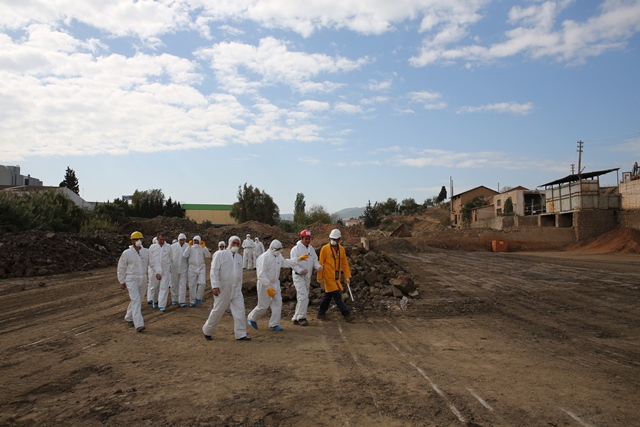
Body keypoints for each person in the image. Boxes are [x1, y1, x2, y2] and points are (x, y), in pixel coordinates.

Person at [247, 240, 309, 331]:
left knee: (278, 303)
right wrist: (268, 286)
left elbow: (286, 263)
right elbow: (260, 274)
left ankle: (274, 324)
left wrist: (298, 259)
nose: (279, 252)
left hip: (275, 283)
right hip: (264, 284)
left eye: (280, 250)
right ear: (272, 248)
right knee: (263, 305)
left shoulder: (278, 256)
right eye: (277, 250)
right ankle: (252, 318)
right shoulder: (264, 257)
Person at [202, 236, 251, 341]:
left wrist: (239, 286)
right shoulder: (220, 254)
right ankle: (207, 330)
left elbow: (239, 274)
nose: (236, 245)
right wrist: (215, 286)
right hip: (223, 288)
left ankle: (241, 334)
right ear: (229, 243)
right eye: (234, 243)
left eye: (238, 243)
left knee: (240, 311)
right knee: (218, 310)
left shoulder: (239, 257)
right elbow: (214, 271)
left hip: (236, 289)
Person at [317, 229, 354, 322]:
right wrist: (319, 277)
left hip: (337, 277)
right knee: (337, 295)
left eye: (335, 239)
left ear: (339, 239)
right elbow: (320, 264)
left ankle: (321, 313)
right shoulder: (324, 249)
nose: (333, 240)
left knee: (328, 295)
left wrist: (347, 276)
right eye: (331, 238)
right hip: (328, 277)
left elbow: (345, 263)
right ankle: (346, 315)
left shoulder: (341, 249)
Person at [117, 231, 150, 332]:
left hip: (143, 278)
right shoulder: (126, 253)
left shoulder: (146, 252)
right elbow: (121, 267)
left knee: (138, 300)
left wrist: (158, 272)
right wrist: (122, 281)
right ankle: (139, 324)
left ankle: (129, 317)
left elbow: (153, 262)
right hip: (131, 278)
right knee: (135, 300)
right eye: (136, 239)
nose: (138, 241)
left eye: (139, 239)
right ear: (132, 241)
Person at [290, 229, 323, 326]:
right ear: (301, 238)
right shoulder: (295, 249)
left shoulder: (311, 249)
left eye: (309, 239)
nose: (308, 241)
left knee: (302, 297)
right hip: (298, 276)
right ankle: (302, 317)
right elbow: (292, 263)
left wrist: (318, 267)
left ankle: (296, 317)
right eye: (306, 239)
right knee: (303, 296)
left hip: (307, 277)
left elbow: (314, 260)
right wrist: (299, 270)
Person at [182, 235, 211, 307]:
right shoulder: (190, 248)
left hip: (201, 267)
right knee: (192, 285)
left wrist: (204, 247)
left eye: (197, 240)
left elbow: (208, 255)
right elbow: (185, 255)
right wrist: (188, 246)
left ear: (200, 241)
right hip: (192, 268)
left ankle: (199, 298)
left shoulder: (202, 248)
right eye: (194, 240)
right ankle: (192, 301)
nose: (195, 242)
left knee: (202, 283)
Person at [149, 233, 173, 312]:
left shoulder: (168, 247)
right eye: (160, 239)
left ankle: (162, 305)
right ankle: (155, 301)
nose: (162, 241)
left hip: (165, 270)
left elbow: (171, 258)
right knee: (154, 288)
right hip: (155, 271)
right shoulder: (152, 247)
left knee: (164, 288)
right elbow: (149, 259)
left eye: (163, 239)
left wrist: (169, 268)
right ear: (157, 239)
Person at [170, 233, 189, 307]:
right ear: (178, 240)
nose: (182, 241)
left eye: (184, 240)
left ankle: (182, 301)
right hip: (174, 267)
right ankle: (174, 299)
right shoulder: (172, 247)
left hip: (184, 268)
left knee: (182, 285)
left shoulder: (188, 246)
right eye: (181, 240)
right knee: (174, 284)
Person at [147, 236, 158, 306]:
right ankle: (150, 298)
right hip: (151, 269)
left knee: (156, 285)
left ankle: (155, 299)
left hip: (157, 268)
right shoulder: (151, 249)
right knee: (151, 284)